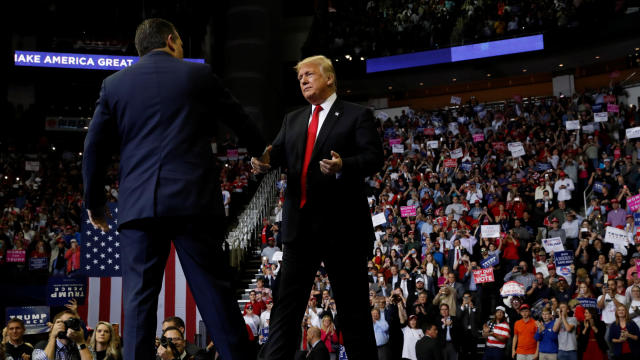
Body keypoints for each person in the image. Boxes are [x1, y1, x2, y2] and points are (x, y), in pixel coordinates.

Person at [82, 18, 265, 360]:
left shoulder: (114, 85)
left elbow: (93, 149)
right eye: (180, 43)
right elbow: (239, 118)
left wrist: (94, 203)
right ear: (170, 41)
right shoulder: (197, 74)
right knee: (216, 296)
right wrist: (260, 152)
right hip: (193, 204)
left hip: (139, 208)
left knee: (137, 303)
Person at [253, 54, 383, 360]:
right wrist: (263, 160)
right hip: (299, 230)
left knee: (353, 312)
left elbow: (374, 158)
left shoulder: (356, 114)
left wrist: (343, 165)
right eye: (300, 78)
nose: (303, 80)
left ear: (329, 78)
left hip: (342, 229)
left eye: (309, 75)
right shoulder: (293, 119)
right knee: (286, 308)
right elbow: (277, 153)